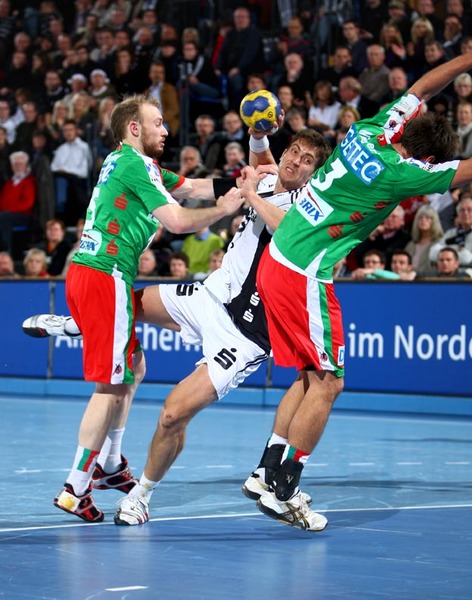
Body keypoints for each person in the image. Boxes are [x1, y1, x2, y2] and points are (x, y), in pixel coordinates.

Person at [22, 127, 331, 526]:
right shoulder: (269, 177)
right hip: (207, 296)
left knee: (172, 415)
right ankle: (79, 324)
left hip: (244, 334)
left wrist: (248, 194)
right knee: (126, 305)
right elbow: (253, 169)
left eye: (307, 161)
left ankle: (141, 495)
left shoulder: (309, 207)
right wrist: (257, 135)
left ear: (314, 173)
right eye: (294, 151)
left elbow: (283, 226)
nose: (296, 162)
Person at [239, 50, 472, 531]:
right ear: (429, 158)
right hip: (304, 271)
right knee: (330, 382)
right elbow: (464, 171)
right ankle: (286, 488)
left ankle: (266, 472)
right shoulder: (404, 173)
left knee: (309, 376)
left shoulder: (370, 129)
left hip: (277, 257)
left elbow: (423, 87)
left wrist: (467, 58)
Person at [22, 94, 245, 523]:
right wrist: (225, 209)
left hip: (94, 275)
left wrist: (244, 182)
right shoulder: (135, 165)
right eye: (158, 123)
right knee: (109, 387)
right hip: (105, 275)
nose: (166, 129)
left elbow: (191, 187)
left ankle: (109, 464)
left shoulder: (133, 163)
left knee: (135, 366)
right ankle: (75, 488)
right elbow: (177, 221)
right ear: (135, 128)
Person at [429, 196, 472, 266]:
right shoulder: (451, 233)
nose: (465, 213)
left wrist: (448, 250)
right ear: (458, 214)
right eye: (462, 210)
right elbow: (433, 255)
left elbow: (468, 260)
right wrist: (456, 248)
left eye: (469, 210)